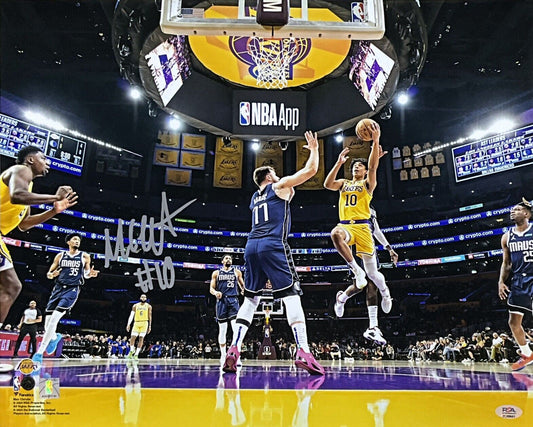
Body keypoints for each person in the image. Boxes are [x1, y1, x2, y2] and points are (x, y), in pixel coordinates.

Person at [223, 130, 324, 375]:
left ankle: (234, 349)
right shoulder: (276, 186)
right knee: (291, 295)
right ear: (269, 176)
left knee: (250, 299)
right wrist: (315, 150)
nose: (278, 175)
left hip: (251, 247)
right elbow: (310, 173)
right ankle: (303, 350)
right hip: (273, 245)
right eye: (274, 173)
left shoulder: (254, 197)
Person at [0, 145, 78, 329]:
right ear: (30, 160)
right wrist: (54, 197)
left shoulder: (29, 186)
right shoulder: (21, 170)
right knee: (12, 286)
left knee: (12, 287)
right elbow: (17, 196)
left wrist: (54, 210)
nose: (47, 163)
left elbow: (24, 224)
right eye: (43, 158)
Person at [324, 122, 393, 319]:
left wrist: (376, 139)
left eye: (360, 166)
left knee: (373, 274)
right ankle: (355, 270)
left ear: (364, 171)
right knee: (335, 234)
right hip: (346, 226)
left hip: (363, 227)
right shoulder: (344, 183)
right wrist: (339, 162)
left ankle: (386, 293)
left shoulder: (367, 184)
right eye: (354, 166)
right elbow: (327, 184)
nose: (356, 168)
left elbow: (373, 167)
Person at [334, 207, 399, 346]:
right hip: (354, 248)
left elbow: (377, 231)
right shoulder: (349, 204)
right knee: (359, 286)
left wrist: (389, 248)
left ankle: (373, 326)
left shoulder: (370, 208)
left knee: (372, 286)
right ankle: (340, 299)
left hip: (368, 246)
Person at [32, 233, 99, 366]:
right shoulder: (60, 255)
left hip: (72, 290)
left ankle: (39, 352)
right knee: (47, 324)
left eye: (79, 240)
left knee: (54, 320)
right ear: (68, 242)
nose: (77, 241)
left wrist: (90, 275)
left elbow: (85, 274)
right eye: (74, 239)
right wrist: (51, 274)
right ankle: (54, 337)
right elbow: (49, 273)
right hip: (57, 289)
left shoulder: (84, 256)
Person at [498, 198, 533, 371]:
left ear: (526, 214)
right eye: (512, 209)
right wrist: (501, 282)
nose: (513, 211)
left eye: (517, 209)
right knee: (513, 322)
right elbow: (507, 263)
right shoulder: (507, 236)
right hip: (519, 280)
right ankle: (527, 354)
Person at [210, 254, 245, 363]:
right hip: (222, 301)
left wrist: (244, 290)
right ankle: (223, 355)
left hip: (233, 300)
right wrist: (216, 292)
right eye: (226, 258)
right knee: (223, 330)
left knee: (236, 329)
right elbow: (211, 288)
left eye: (230, 258)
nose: (229, 259)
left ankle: (236, 356)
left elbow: (242, 285)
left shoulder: (237, 272)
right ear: (222, 261)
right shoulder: (216, 273)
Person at [126, 294, 152, 359]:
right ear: (140, 298)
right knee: (132, 337)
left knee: (141, 338)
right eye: (142, 297)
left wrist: (150, 326)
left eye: (144, 297)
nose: (143, 298)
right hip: (136, 322)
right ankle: (132, 350)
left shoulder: (149, 306)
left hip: (144, 323)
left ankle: (136, 354)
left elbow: (150, 316)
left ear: (146, 298)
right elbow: (131, 315)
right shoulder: (135, 305)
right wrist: (128, 324)